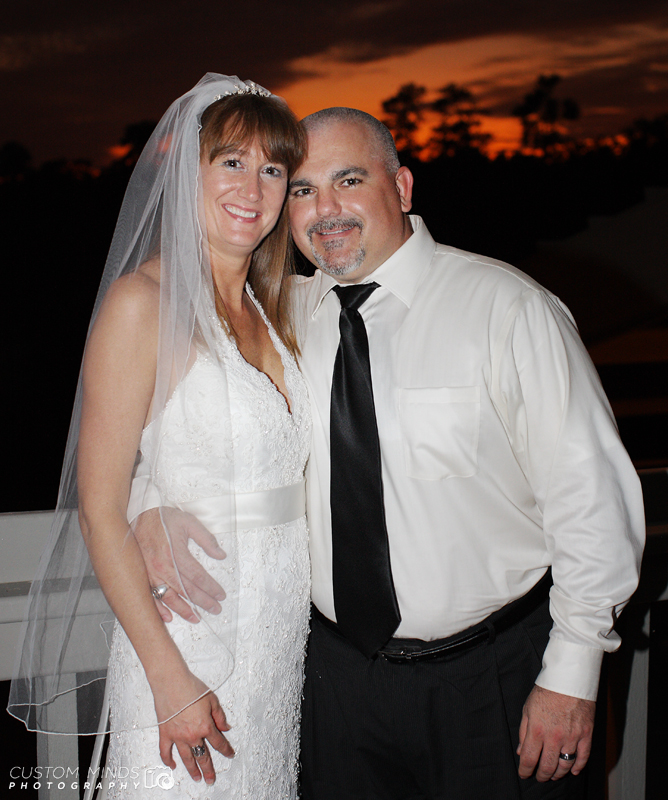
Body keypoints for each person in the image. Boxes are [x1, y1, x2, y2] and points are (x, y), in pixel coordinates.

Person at [133, 107, 645, 799]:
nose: (326, 209)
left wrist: (574, 671)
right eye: (304, 190)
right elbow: (189, 427)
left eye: (349, 179)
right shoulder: (282, 318)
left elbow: (595, 502)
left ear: (401, 188)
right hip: (337, 688)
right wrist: (147, 506)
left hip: (494, 680)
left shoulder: (507, 309)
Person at [9, 74, 311, 800]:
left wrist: (155, 498)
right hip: (187, 643)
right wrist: (170, 678)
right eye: (231, 162)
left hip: (277, 647)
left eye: (273, 168)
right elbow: (98, 506)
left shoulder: (275, 309)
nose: (254, 186)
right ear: (188, 172)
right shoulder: (143, 304)